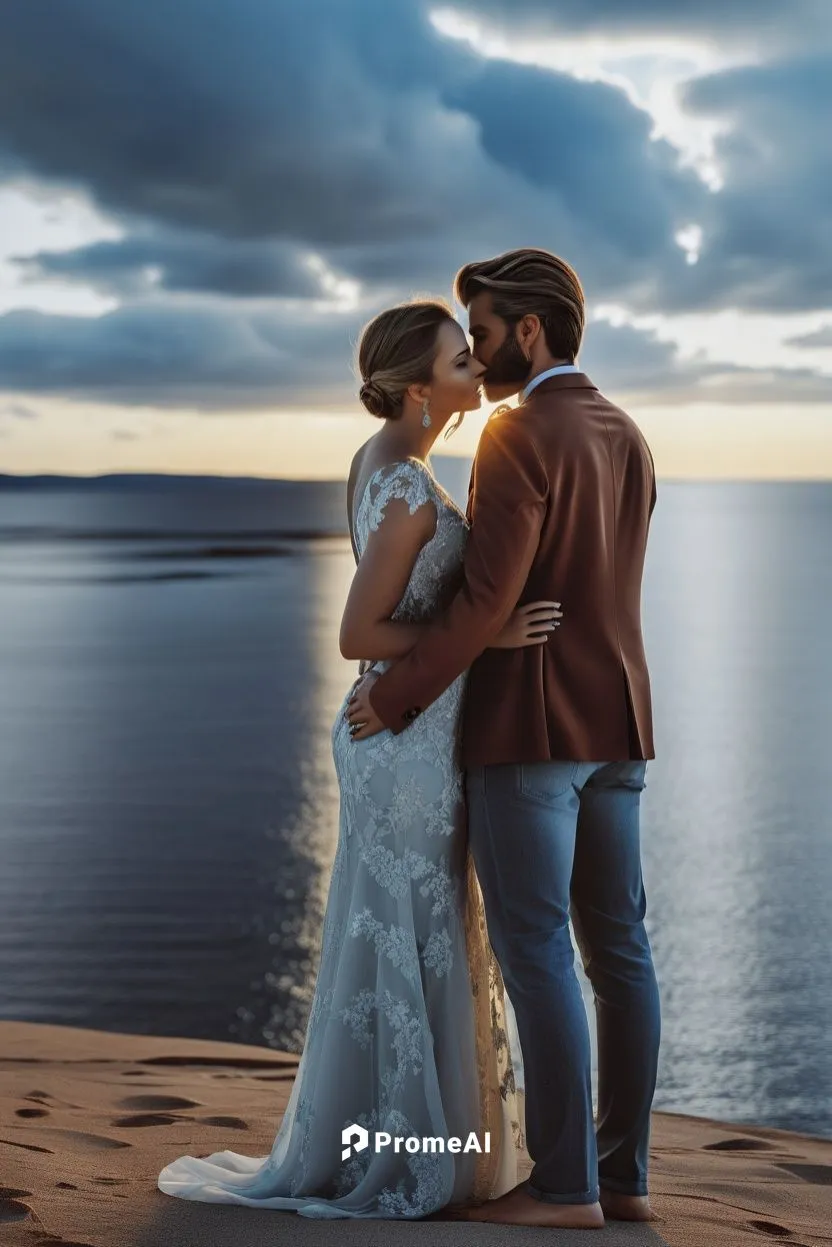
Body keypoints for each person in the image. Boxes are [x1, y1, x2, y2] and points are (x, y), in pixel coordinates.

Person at [157, 297, 561, 1218]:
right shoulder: (411, 489)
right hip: (401, 739)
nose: (478, 372)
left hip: (405, 731)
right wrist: (488, 637)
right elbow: (354, 632)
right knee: (409, 932)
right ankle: (405, 1154)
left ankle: (400, 1138)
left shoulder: (389, 461)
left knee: (403, 933)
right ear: (420, 389)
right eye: (463, 362)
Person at [348, 247, 662, 1229]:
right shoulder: (628, 432)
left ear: (530, 330)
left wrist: (394, 694)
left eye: (481, 333)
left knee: (534, 949)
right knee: (621, 951)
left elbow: (489, 598)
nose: (477, 360)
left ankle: (563, 1187)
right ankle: (623, 1176)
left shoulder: (519, 436)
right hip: (621, 726)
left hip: (530, 728)